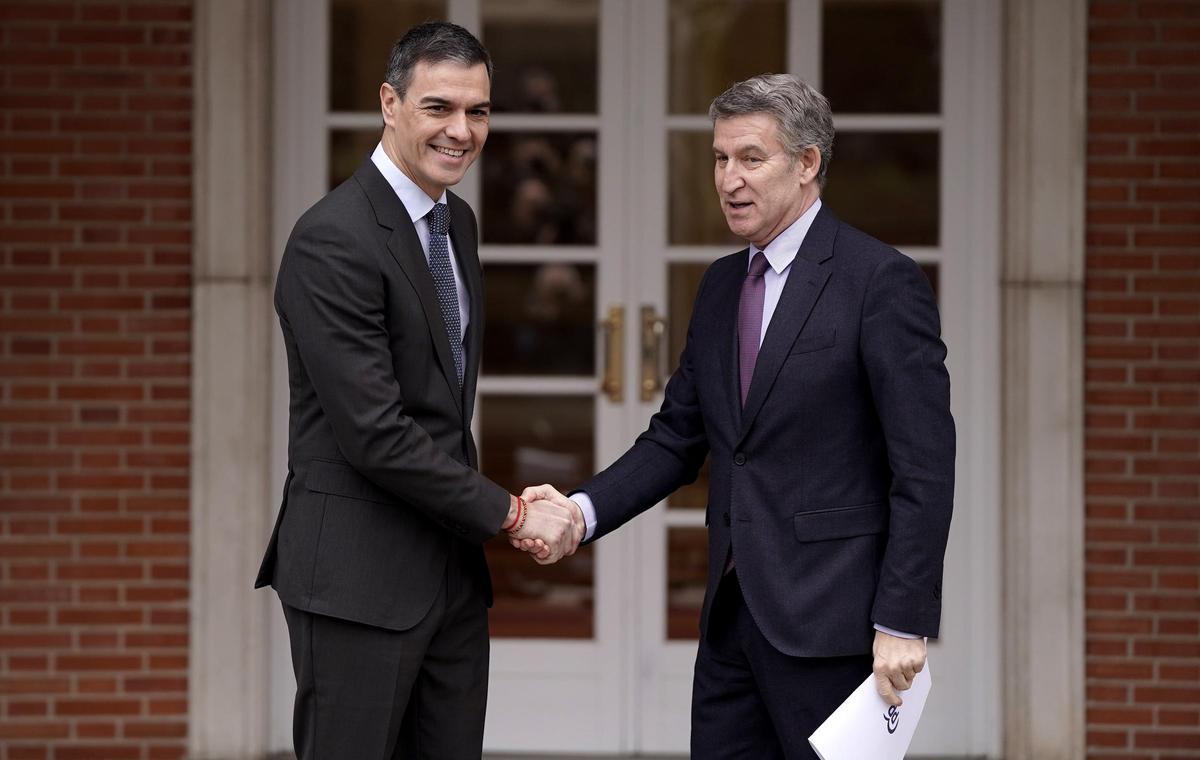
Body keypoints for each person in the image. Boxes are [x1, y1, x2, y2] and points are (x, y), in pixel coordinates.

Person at [520, 74, 954, 759]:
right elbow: (676, 439)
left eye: (751, 158)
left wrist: (903, 617)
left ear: (808, 163)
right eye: (720, 159)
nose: (729, 178)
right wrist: (580, 512)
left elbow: (924, 467)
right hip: (731, 624)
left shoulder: (880, 282)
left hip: (832, 628)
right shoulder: (723, 284)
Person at [255, 23, 580, 760]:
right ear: (389, 103)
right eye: (439, 108)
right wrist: (509, 511)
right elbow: (375, 431)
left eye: (479, 111)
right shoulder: (332, 239)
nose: (461, 131)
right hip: (357, 582)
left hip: (451, 581)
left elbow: (443, 406)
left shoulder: (454, 223)